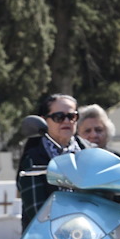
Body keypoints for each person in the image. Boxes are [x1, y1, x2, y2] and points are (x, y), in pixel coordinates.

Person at [18, 94, 89, 227]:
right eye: (59, 117)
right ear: (44, 121)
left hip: (90, 233)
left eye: (72, 116)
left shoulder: (90, 153)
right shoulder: (34, 159)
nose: (66, 121)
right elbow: (37, 212)